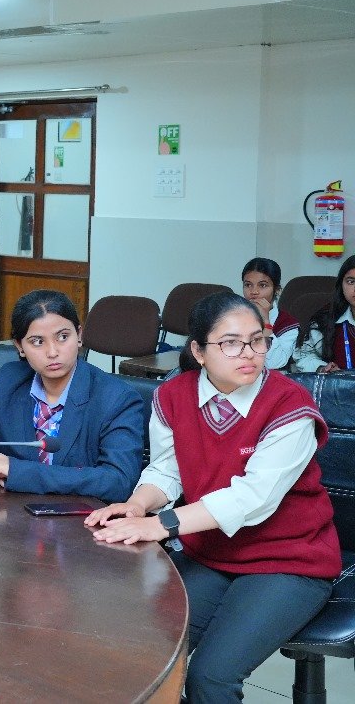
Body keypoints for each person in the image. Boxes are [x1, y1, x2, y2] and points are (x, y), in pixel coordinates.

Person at [87, 292, 340, 703]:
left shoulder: (289, 404)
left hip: (290, 560)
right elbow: (167, 471)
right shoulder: (172, 395)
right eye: (231, 343)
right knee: (140, 652)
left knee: (210, 677)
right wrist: (138, 505)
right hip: (212, 554)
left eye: (257, 340)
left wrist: (162, 524)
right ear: (199, 352)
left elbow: (253, 497)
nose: (250, 353)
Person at [0, 289, 145, 503]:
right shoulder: (9, 381)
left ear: (79, 335)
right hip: (12, 513)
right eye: (37, 342)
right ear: (20, 346)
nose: (52, 352)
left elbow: (118, 481)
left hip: (82, 517)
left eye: (63, 337)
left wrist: (18, 471)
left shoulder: (117, 398)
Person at [294, 254, 355, 372]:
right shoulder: (327, 318)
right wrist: (321, 367)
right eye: (351, 282)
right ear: (341, 285)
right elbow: (303, 356)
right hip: (338, 383)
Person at [239, 257, 299, 371]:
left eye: (262, 285)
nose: (254, 292)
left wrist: (266, 322)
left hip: (272, 379)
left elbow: (275, 364)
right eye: (248, 285)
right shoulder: (232, 317)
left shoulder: (287, 323)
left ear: (277, 290)